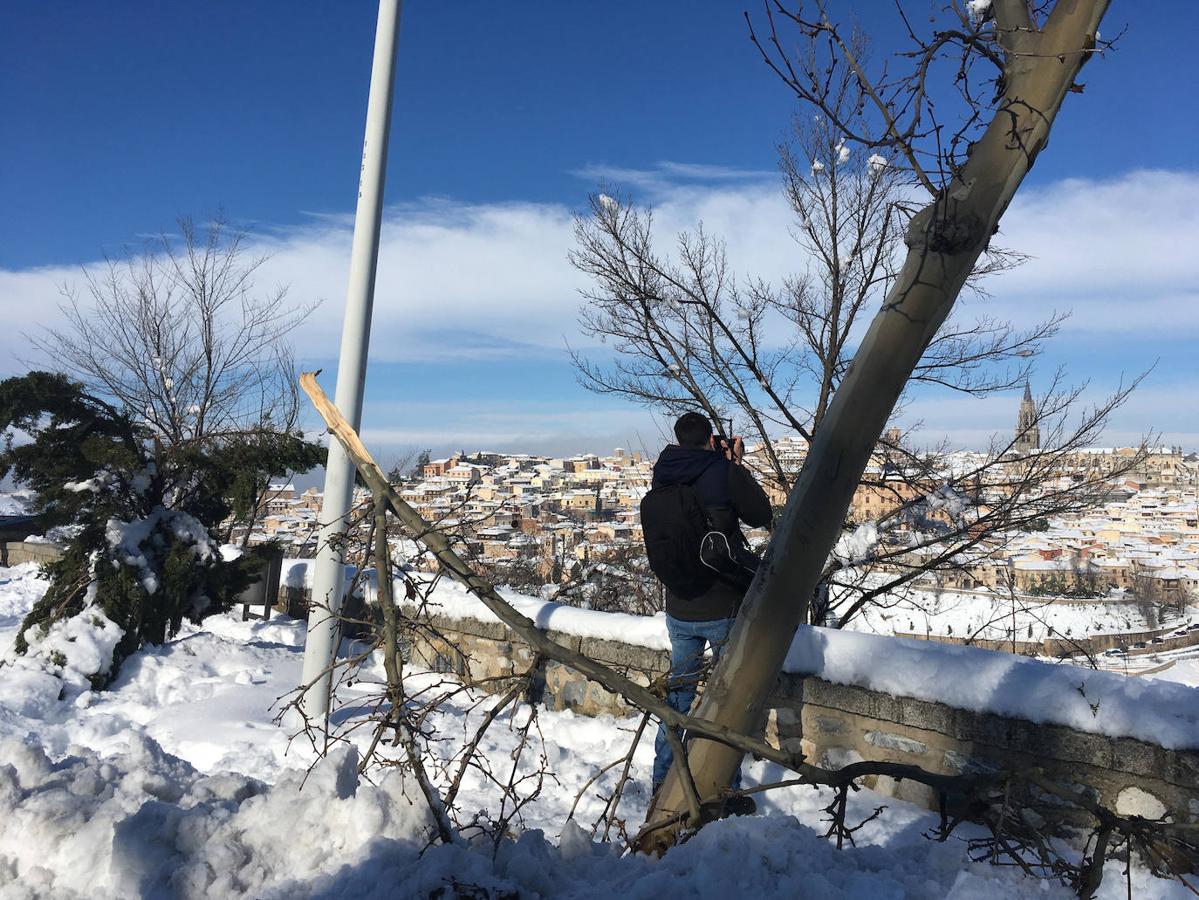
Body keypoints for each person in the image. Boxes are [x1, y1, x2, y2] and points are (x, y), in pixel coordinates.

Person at [648, 411, 772, 812]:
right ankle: (723, 789)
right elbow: (761, 514)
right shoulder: (721, 471)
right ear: (709, 439)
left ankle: (662, 779)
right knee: (723, 698)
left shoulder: (664, 473)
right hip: (723, 603)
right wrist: (734, 466)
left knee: (678, 694)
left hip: (679, 605)